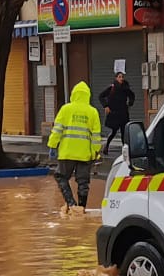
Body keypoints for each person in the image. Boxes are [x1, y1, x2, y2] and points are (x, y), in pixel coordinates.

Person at [47, 81, 102, 211]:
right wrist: (95, 152)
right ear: (88, 95)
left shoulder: (66, 109)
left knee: (61, 176)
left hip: (67, 153)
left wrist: (52, 145)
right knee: (83, 182)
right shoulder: (93, 112)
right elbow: (96, 136)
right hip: (85, 154)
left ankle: (71, 204)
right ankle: (81, 209)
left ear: (73, 95)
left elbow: (57, 130)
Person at [98, 70, 136, 156]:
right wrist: (106, 106)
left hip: (123, 113)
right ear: (116, 78)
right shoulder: (112, 88)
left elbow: (132, 95)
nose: (121, 78)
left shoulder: (126, 88)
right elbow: (101, 96)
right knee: (114, 131)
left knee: (124, 132)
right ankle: (106, 146)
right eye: (119, 77)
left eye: (122, 77)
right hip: (114, 113)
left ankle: (124, 150)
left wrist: (130, 104)